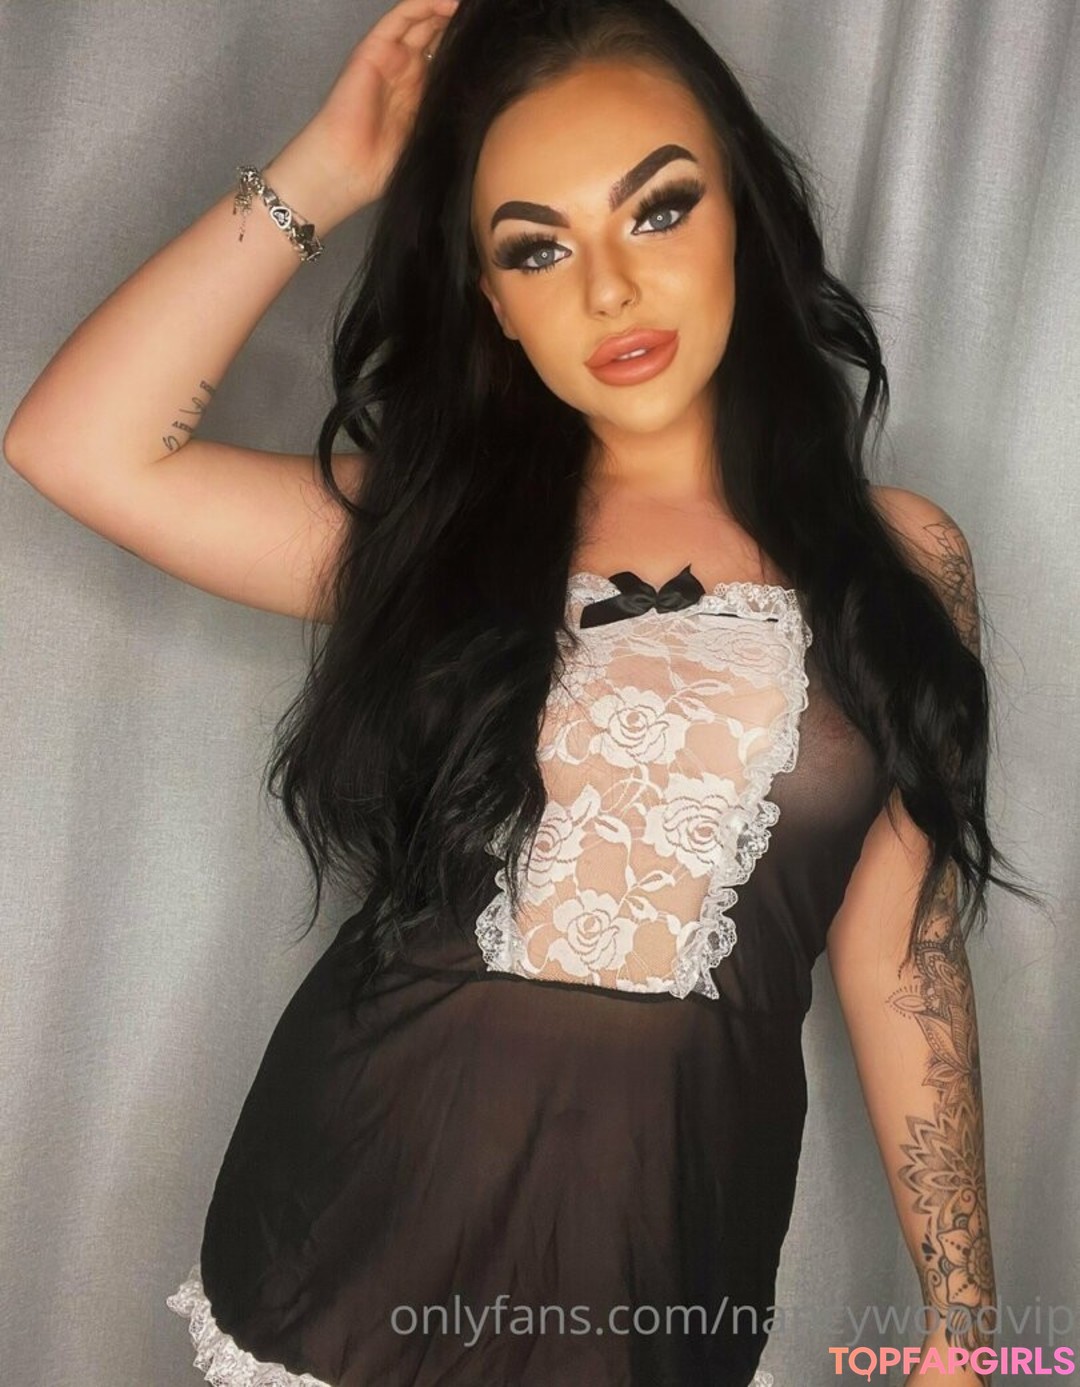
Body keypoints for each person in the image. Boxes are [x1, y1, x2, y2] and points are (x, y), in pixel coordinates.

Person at [3, 0, 1043, 1383]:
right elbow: (79, 444)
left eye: (659, 210)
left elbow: (901, 945)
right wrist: (329, 167)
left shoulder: (901, 560)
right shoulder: (429, 534)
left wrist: (965, 1327)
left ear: (745, 215)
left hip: (660, 1248)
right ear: (493, 301)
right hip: (359, 1213)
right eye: (537, 247)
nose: (609, 290)